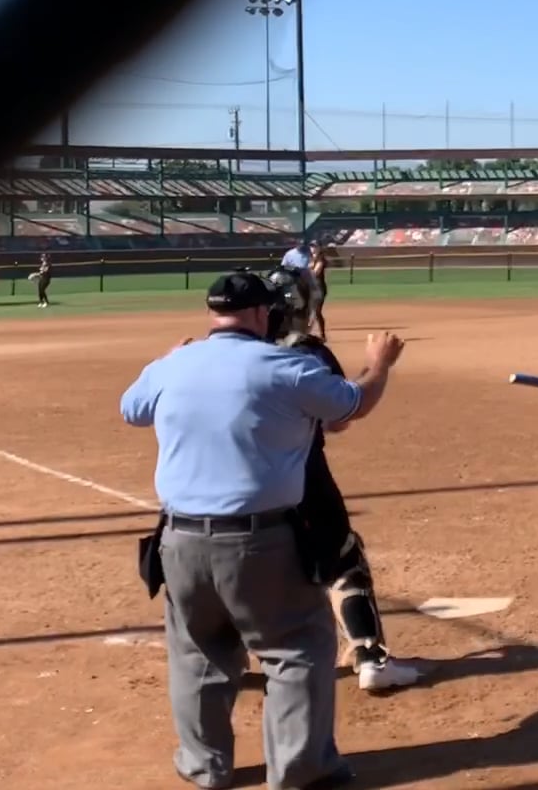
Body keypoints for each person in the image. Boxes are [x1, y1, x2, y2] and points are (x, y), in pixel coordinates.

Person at [120, 271, 404, 790]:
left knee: (198, 655)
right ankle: (300, 772)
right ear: (258, 313)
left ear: (213, 314)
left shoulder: (174, 364)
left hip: (177, 540)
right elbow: (352, 405)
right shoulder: (284, 366)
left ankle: (205, 767)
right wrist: (380, 364)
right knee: (296, 647)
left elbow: (131, 410)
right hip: (259, 540)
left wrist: (166, 360)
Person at [259, 269, 427, 693]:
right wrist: (377, 365)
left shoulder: (230, 352)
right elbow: (339, 420)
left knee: (241, 562)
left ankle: (223, 661)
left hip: (237, 482)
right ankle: (370, 656)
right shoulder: (307, 352)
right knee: (343, 558)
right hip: (304, 477)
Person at [306, 244, 330, 340]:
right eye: (312, 246)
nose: (313, 248)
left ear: (319, 248)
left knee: (317, 311)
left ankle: (322, 335)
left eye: (315, 247)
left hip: (319, 288)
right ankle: (307, 332)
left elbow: (315, 272)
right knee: (308, 310)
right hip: (311, 288)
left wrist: (305, 271)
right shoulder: (311, 259)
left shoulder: (321, 259)